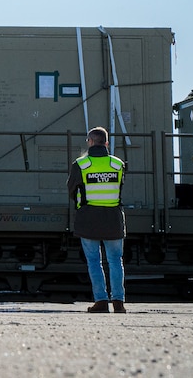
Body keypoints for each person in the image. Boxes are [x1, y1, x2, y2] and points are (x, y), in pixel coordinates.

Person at [68, 126, 126, 313]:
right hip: (113, 218)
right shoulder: (118, 164)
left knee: (94, 261)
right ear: (106, 143)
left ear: (90, 142)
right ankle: (118, 302)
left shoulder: (81, 164)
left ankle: (101, 301)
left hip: (89, 218)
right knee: (116, 260)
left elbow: (71, 190)